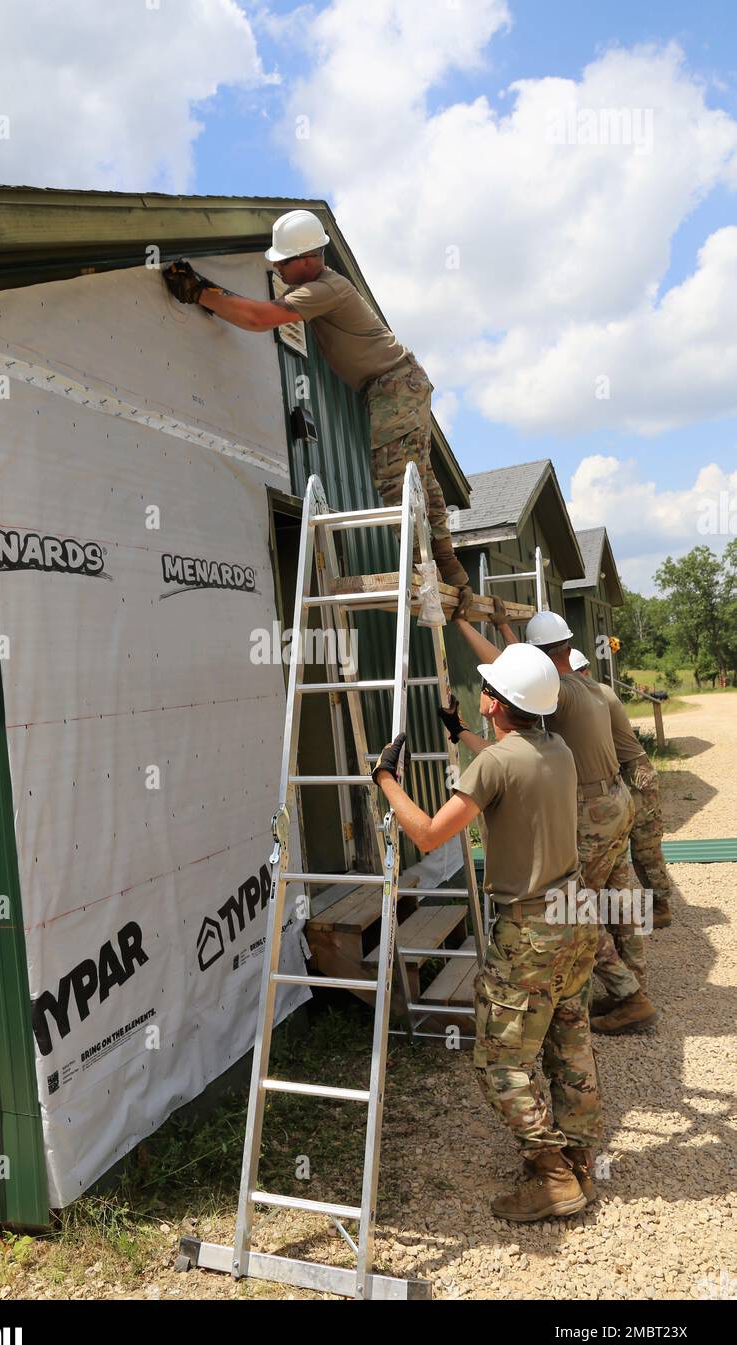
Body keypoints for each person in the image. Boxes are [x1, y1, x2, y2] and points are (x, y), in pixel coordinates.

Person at [372, 644, 601, 1221]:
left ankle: (553, 1180)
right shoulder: (559, 750)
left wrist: (386, 780)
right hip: (576, 918)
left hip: (530, 932)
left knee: (500, 1061)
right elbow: (505, 767)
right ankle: (579, 1163)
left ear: (497, 703)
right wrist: (465, 733)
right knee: (568, 1040)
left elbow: (426, 833)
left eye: (487, 691)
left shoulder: (498, 763)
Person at [161, 209, 468, 588]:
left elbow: (258, 319)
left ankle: (426, 572)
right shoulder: (318, 287)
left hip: (393, 385)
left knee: (396, 480)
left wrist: (201, 289)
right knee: (420, 478)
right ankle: (449, 569)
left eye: (283, 263)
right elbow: (258, 311)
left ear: (307, 260)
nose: (278, 271)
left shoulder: (326, 287)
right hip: (398, 384)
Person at [451, 602, 657, 1036]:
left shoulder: (557, 694)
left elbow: (509, 673)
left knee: (578, 909)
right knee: (618, 896)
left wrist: (463, 624)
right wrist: (505, 625)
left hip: (593, 814)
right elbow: (524, 670)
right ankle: (634, 981)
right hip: (616, 803)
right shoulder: (582, 685)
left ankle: (629, 995)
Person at [570, 649, 671, 932]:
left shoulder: (598, 693)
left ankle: (661, 905)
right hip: (625, 775)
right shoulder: (592, 692)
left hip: (634, 774)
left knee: (645, 845)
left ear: (584, 672)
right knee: (624, 846)